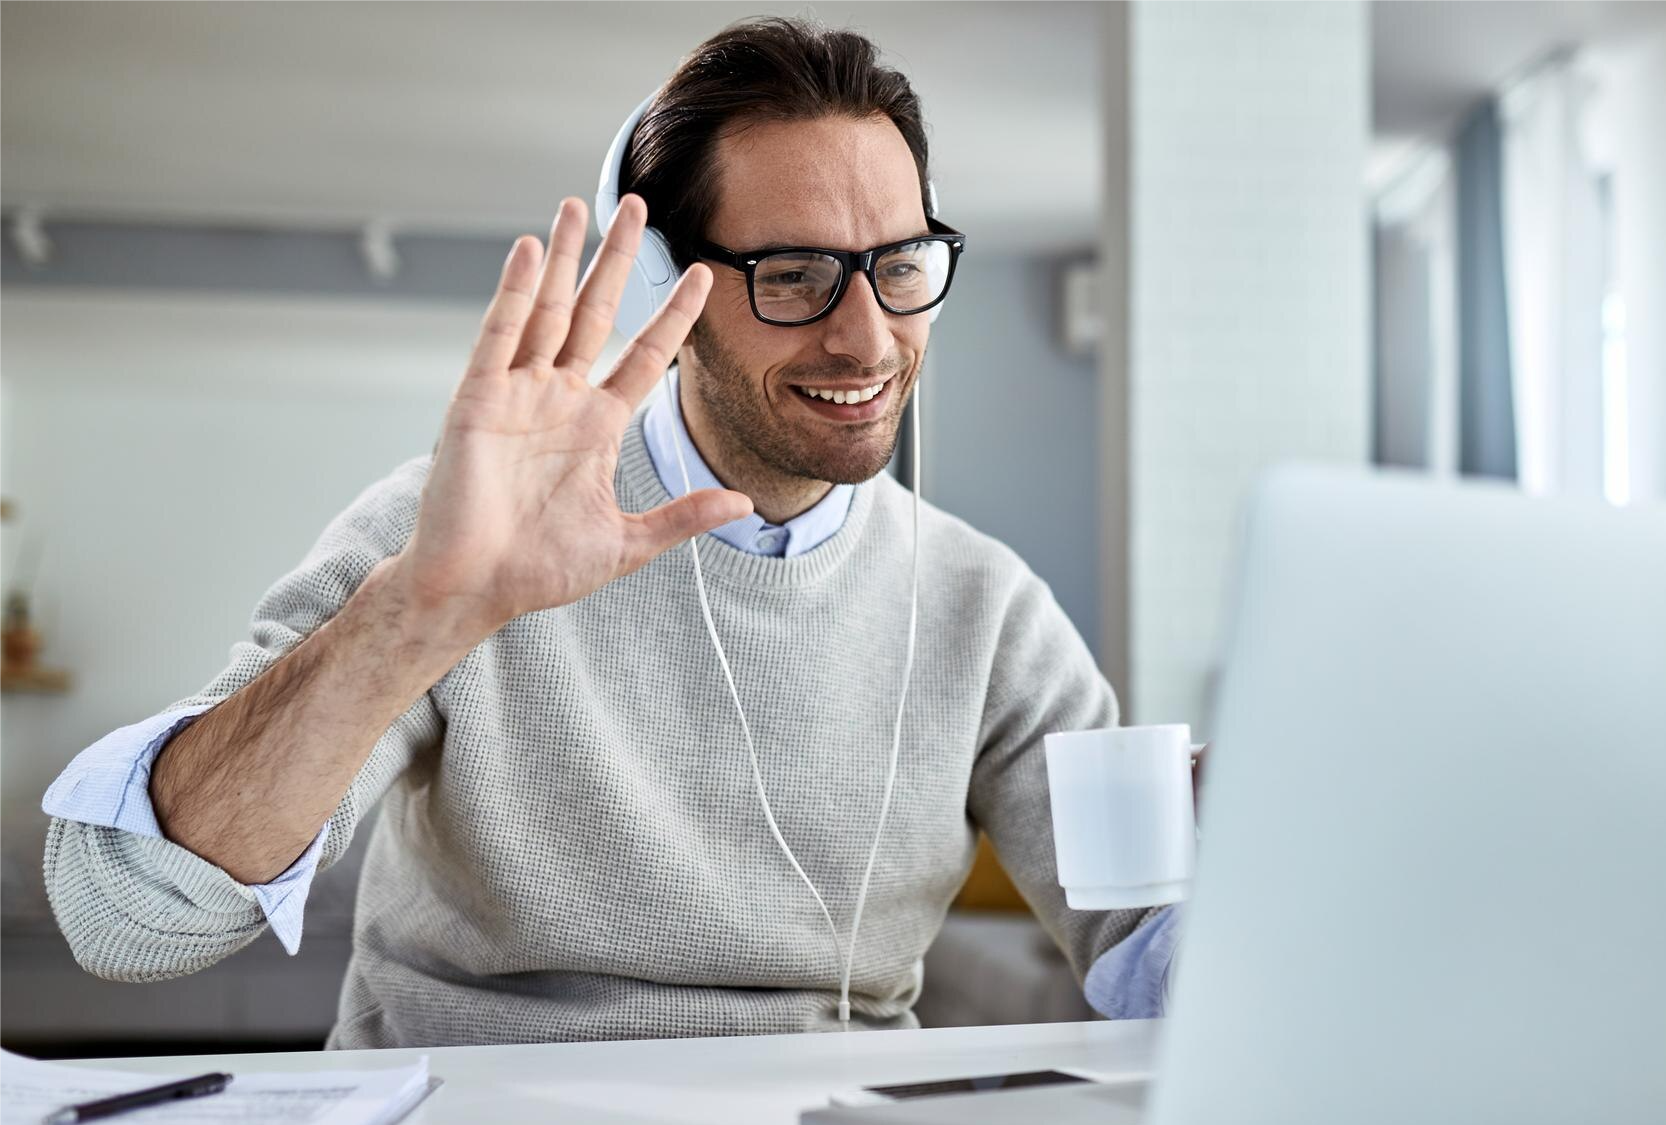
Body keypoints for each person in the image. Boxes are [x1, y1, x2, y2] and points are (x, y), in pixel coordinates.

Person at [40, 16, 1177, 1048]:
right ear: (661, 293)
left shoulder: (985, 606)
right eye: (793, 276)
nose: (867, 340)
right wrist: (420, 615)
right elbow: (127, 920)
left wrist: (1272, 844)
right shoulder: (464, 531)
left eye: (898, 266)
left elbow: (1152, 965)